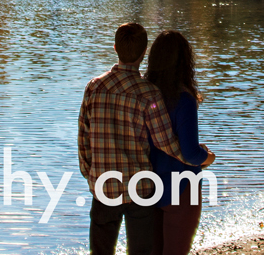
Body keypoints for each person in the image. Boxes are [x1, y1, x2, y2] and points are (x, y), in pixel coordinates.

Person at [79, 22, 187, 255]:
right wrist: (192, 158)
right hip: (140, 187)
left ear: (115, 48)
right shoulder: (148, 93)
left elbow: (84, 136)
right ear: (144, 52)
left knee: (100, 250)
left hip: (103, 184)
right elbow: (164, 142)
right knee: (141, 251)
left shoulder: (94, 87)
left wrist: (89, 172)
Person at [145, 30, 215, 255]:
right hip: (182, 187)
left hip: (148, 186)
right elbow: (191, 153)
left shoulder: (144, 94)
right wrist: (208, 158)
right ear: (185, 61)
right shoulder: (183, 99)